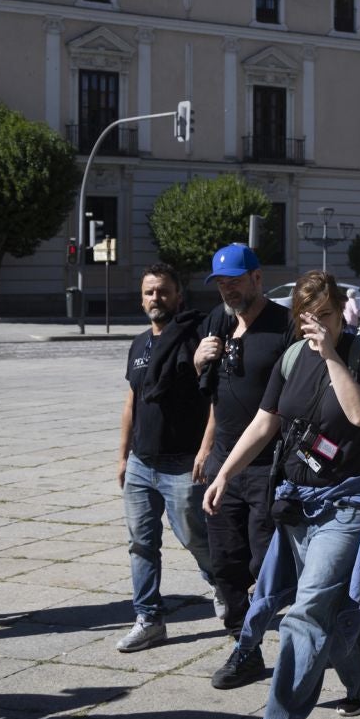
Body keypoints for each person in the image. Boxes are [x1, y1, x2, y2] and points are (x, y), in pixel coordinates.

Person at [204, 270, 360, 719]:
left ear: (341, 314)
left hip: (350, 503)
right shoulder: (290, 359)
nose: (318, 325)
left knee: (306, 611)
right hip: (297, 502)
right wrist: (224, 474)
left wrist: (331, 354)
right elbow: (266, 422)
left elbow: (359, 415)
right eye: (309, 317)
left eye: (327, 315)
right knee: (331, 610)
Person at [191, 244, 296, 686]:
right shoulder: (219, 322)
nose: (227, 288)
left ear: (258, 277)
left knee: (264, 563)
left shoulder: (284, 326)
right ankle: (243, 645)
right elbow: (217, 397)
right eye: (220, 282)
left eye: (235, 279)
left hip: (269, 466)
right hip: (222, 464)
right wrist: (205, 449)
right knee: (224, 562)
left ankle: (303, 629)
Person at [115, 262, 219, 652]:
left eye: (162, 291)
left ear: (178, 295)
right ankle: (149, 618)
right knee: (140, 544)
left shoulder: (196, 338)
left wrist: (207, 449)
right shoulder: (139, 343)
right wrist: (123, 456)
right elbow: (132, 402)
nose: (155, 298)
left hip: (183, 463)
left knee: (196, 539)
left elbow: (214, 401)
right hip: (142, 463)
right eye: (148, 292)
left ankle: (223, 588)